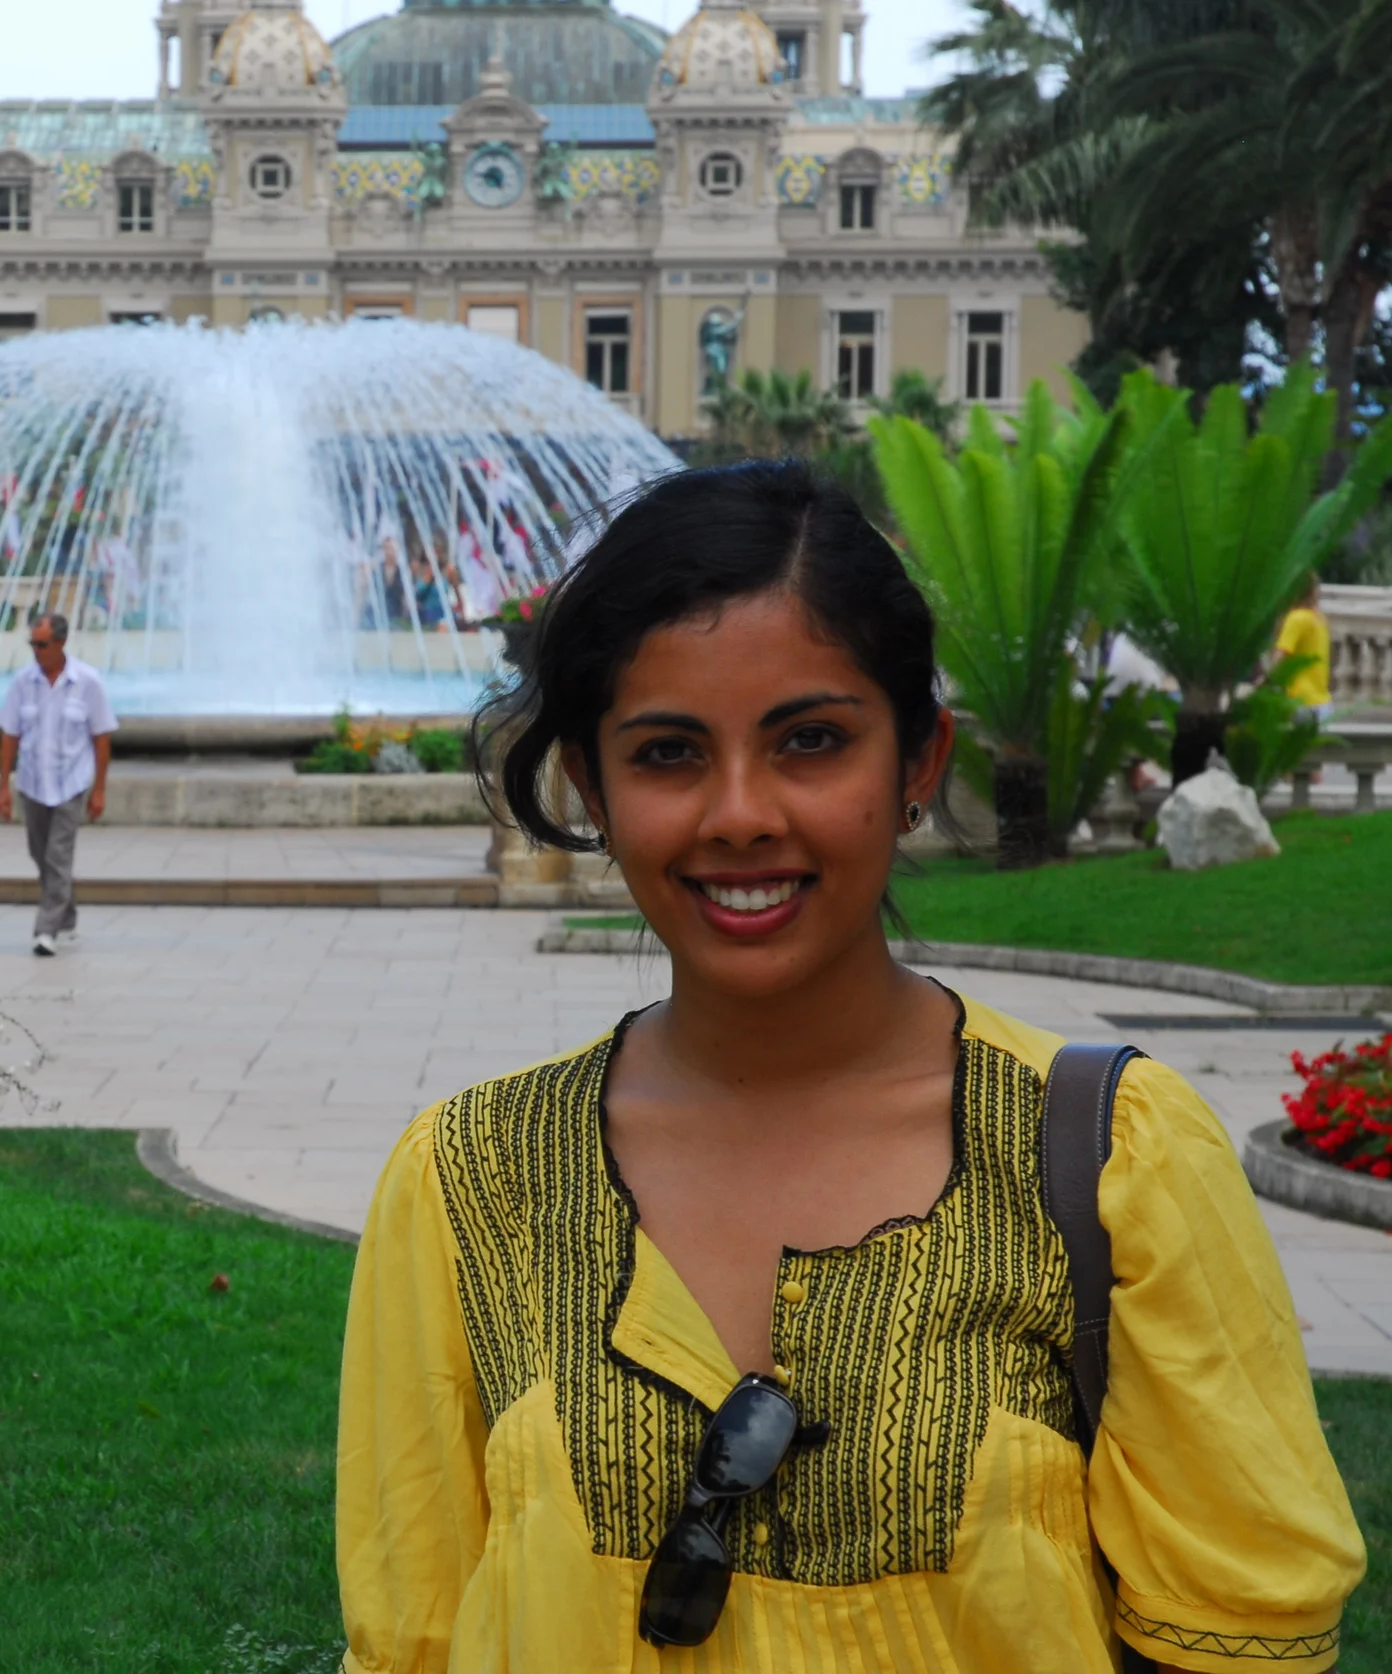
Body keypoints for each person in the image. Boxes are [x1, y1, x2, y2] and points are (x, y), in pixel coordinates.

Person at [337, 462, 1361, 1674]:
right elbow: (411, 1636)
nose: (739, 815)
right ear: (589, 787)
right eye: (667, 753)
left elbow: (1241, 1632)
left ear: (918, 761)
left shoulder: (1106, 1159)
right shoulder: (468, 1186)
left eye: (809, 741)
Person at [0, 612, 117, 957]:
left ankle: (45, 930)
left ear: (61, 643)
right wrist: (3, 786)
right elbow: (9, 734)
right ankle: (67, 917)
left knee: (57, 855)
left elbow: (102, 736)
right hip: (33, 782)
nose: (36, 650)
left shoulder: (88, 682)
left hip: (70, 781)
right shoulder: (22, 683)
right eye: (32, 643)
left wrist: (99, 789)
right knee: (42, 856)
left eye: (42, 644)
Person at [1274, 572, 1334, 725]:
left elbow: (1279, 659)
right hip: (1323, 703)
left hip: (1301, 703)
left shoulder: (1296, 619)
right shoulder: (1319, 619)